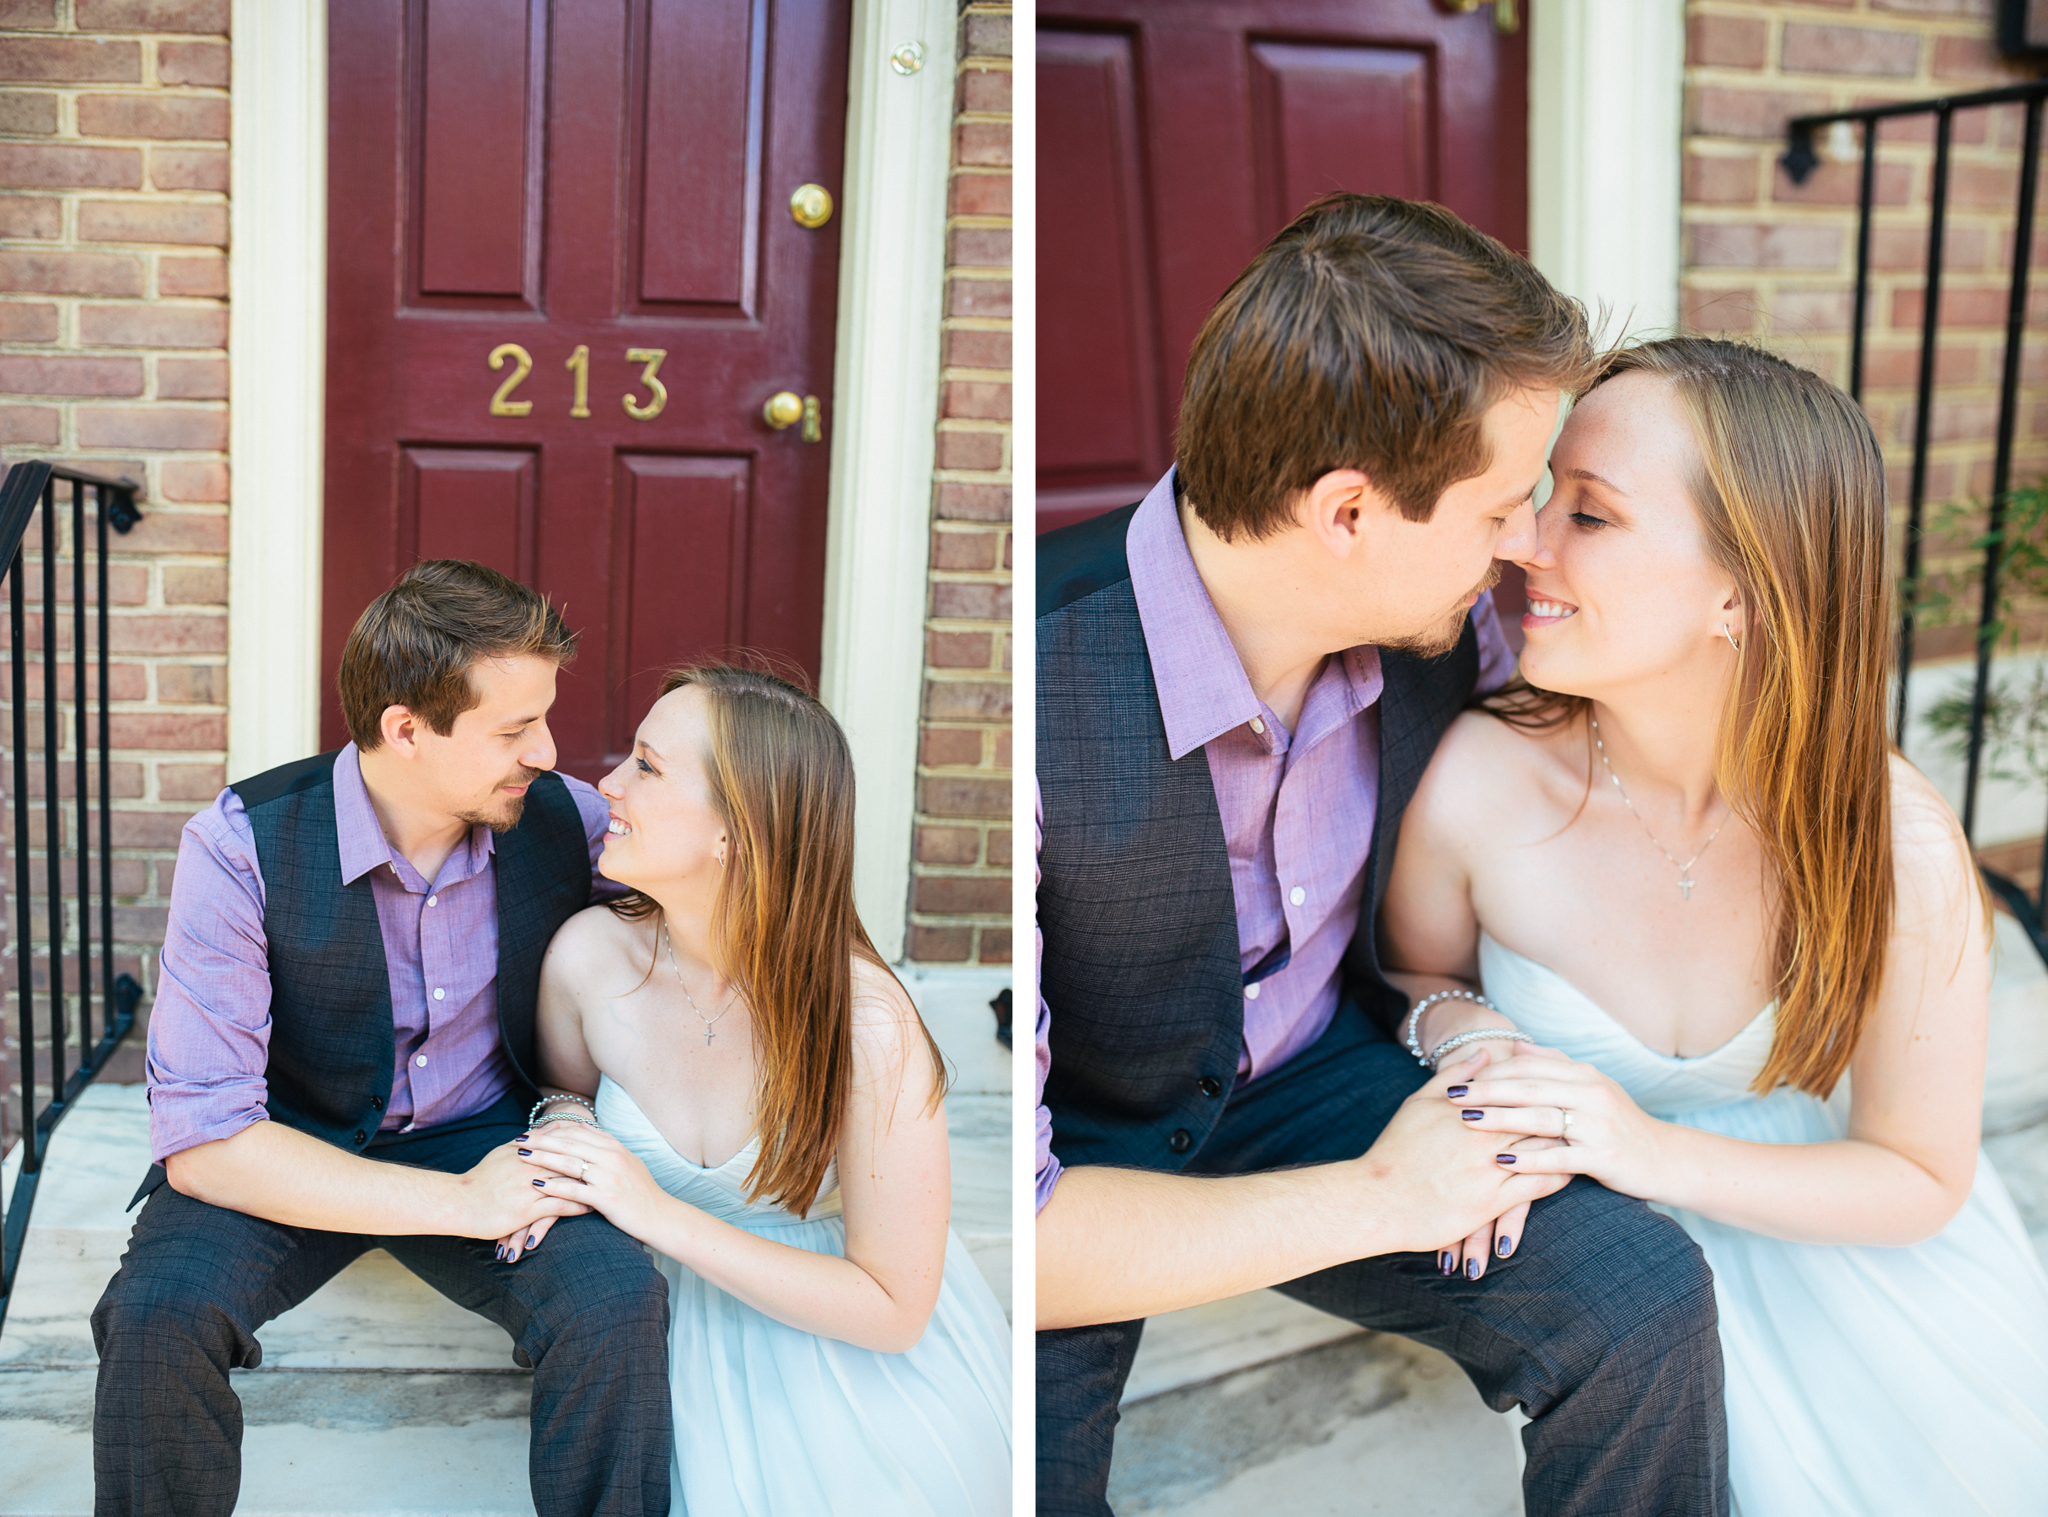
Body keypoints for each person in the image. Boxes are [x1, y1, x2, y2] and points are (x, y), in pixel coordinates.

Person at [1035, 193, 1729, 1516]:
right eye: (1499, 507)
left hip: (1321, 1070)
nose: (1529, 543)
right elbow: (1035, 1229)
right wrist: (1383, 1197)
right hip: (1083, 1139)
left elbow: (1670, 704)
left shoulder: (1453, 628)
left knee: (1639, 1297)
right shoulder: (1037, 690)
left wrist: (1456, 1027)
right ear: (1348, 513)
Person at [1382, 336, 2048, 1512]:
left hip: (1859, 1271)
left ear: (1736, 591)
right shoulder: (1478, 778)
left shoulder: (1888, 834)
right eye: (1543, 498)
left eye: (1588, 515)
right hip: (1606, 1287)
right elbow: (1405, 975)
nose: (1523, 541)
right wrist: (1465, 1033)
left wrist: (1649, 1148)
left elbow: (1918, 1171)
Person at [91, 560, 672, 1517]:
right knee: (155, 1316)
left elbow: (716, 906)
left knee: (615, 1302)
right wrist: (455, 1203)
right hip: (286, 1138)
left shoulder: (569, 816)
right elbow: (202, 1141)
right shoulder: (240, 845)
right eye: (515, 727)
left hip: (486, 1126)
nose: (547, 750)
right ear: (406, 729)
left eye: (545, 719)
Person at [511, 663, 1011, 1516]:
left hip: (846, 1364)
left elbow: (894, 1307)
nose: (608, 784)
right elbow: (566, 1099)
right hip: (656, 1332)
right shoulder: (585, 959)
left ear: (732, 832)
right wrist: (559, 1140)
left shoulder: (867, 1023)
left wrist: (657, 1212)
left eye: (647, 766)